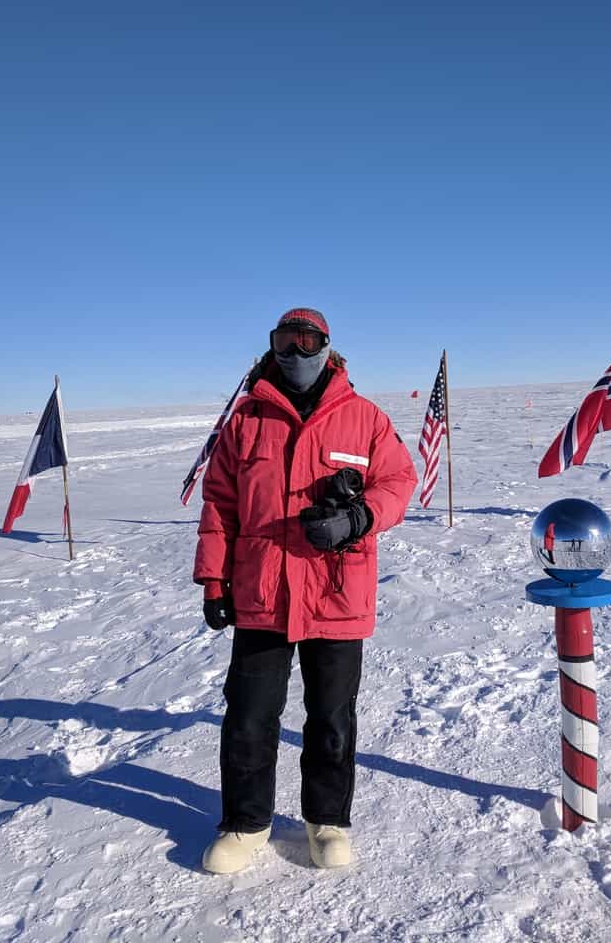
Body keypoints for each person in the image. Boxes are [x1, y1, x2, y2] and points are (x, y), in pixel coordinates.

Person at [193, 307, 417, 874]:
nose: (295, 353)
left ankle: (327, 823)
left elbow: (398, 481)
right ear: (271, 348)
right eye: (284, 343)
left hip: (336, 593)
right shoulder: (246, 421)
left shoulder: (364, 418)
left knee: (331, 718)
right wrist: (214, 579)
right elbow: (220, 504)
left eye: (307, 341)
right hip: (261, 593)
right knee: (248, 716)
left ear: (327, 347)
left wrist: (358, 519)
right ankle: (245, 824)